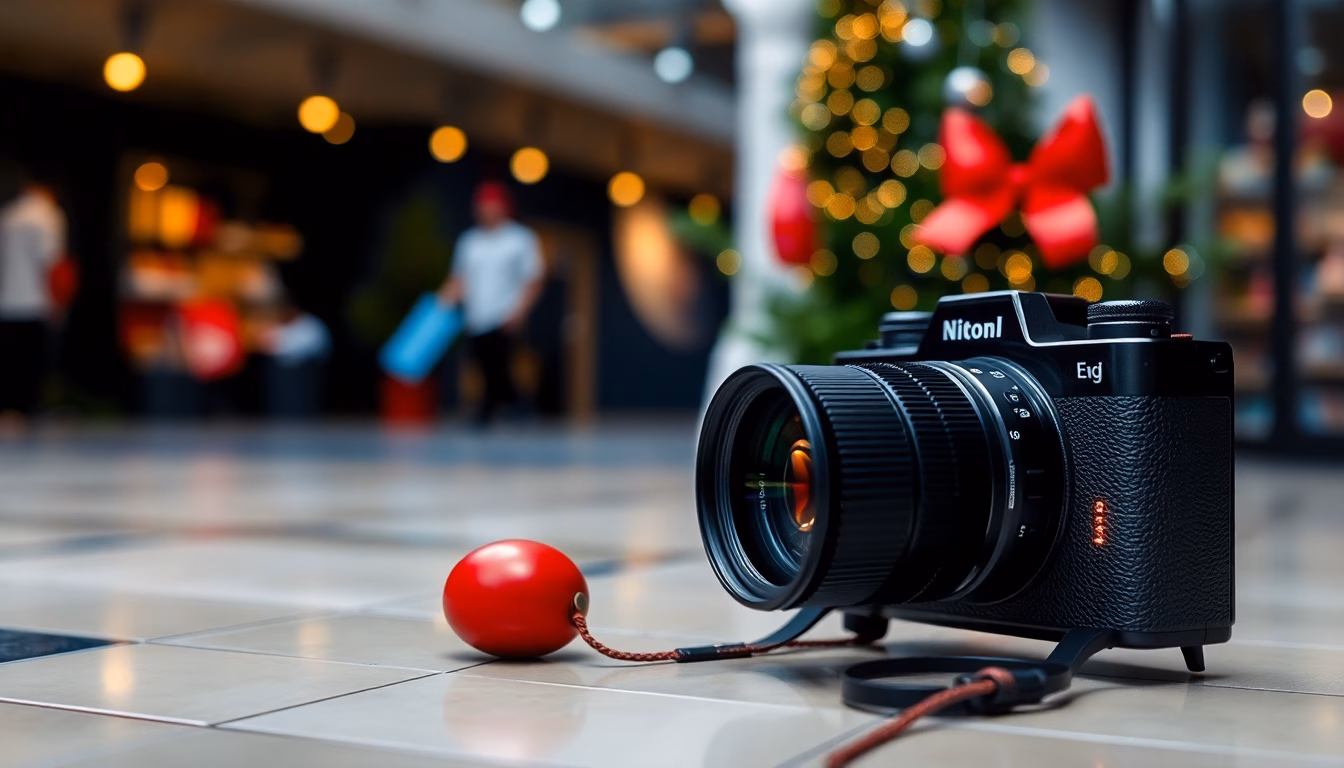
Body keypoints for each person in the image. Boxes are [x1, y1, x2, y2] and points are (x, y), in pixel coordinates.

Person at [439, 182, 544, 425]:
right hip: (475, 316)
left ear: (503, 208)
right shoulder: (469, 241)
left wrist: (519, 312)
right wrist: (441, 302)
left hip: (504, 314)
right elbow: (459, 279)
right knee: (482, 366)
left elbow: (533, 279)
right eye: (482, 206)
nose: (486, 211)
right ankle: (497, 408)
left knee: (502, 365)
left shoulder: (520, 239)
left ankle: (503, 409)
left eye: (492, 206)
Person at [0, 173, 66, 423]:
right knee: (33, 361)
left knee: (9, 361)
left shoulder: (8, 215)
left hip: (7, 300)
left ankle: (10, 410)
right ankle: (29, 409)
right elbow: (51, 263)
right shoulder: (48, 215)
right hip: (35, 300)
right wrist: (57, 300)